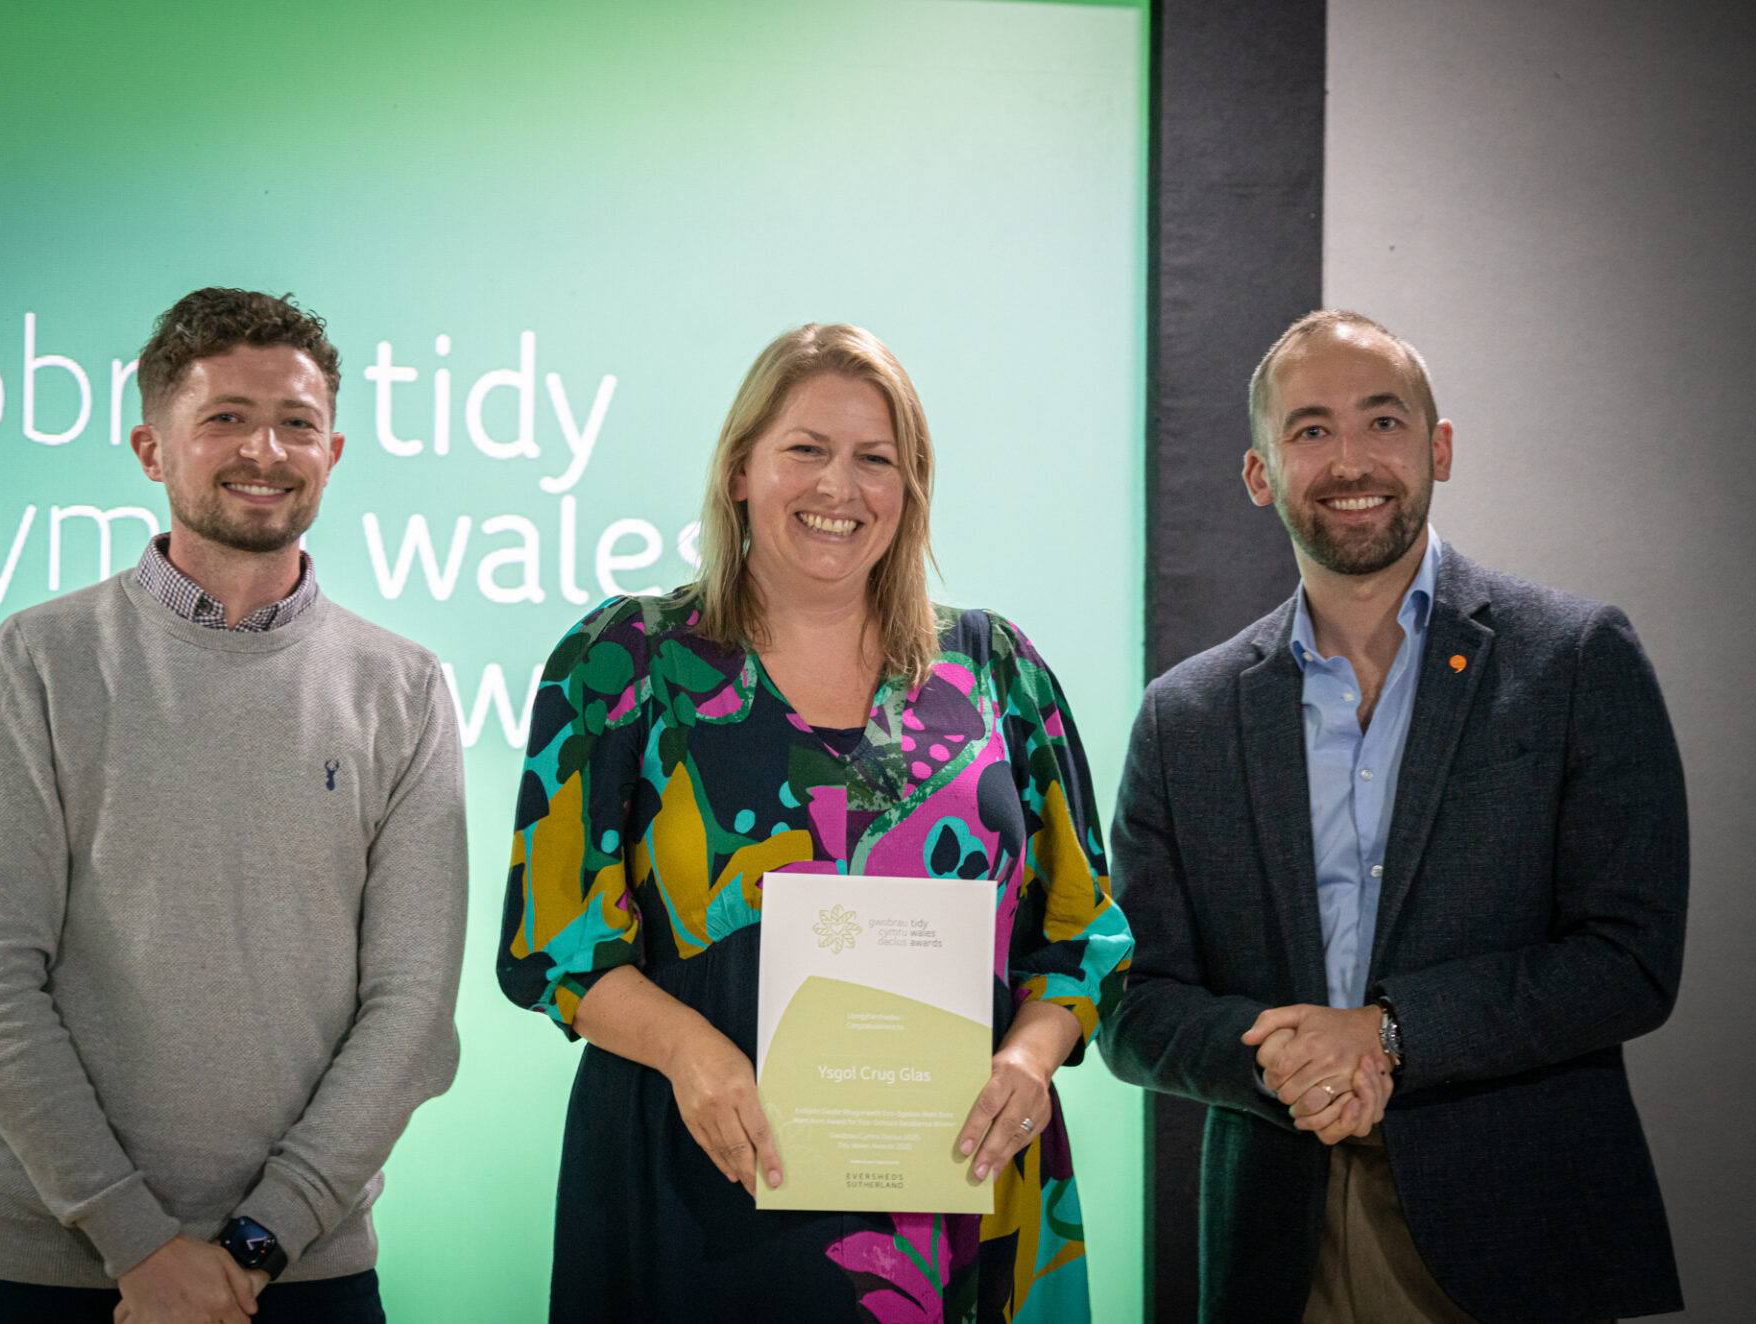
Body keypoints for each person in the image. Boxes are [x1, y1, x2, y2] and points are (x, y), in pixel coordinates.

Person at [498, 322, 1133, 1322]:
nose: (840, 488)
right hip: (697, 1183)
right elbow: (554, 948)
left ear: (909, 490)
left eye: (876, 460)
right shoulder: (623, 660)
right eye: (806, 449)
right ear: (740, 469)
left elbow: (1083, 933)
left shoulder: (997, 667)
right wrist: (687, 1051)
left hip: (957, 1208)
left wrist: (1029, 1056)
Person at [1101, 309, 1687, 1323]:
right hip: (1278, 1244)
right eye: (1311, 429)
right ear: (1259, 472)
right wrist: (1287, 1058)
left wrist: (1389, 1032)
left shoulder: (1576, 659)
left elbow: (1630, 959)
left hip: (1520, 1231)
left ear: (1438, 448)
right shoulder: (1183, 716)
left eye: (1383, 421)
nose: (1352, 459)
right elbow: (1130, 1001)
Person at [0, 288, 468, 1324]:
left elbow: (410, 1015)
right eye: (224, 417)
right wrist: (140, 1246)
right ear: (151, 446)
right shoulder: (39, 663)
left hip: (298, 1277)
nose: (263, 449)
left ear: (334, 451)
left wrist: (257, 1244)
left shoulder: (400, 688)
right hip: (38, 1274)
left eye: (296, 423)